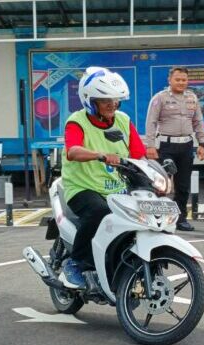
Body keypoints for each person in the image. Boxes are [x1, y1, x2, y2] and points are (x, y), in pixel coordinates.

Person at [59, 67, 146, 289]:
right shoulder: (77, 121)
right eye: (105, 100)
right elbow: (73, 151)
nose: (112, 104)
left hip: (116, 189)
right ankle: (75, 263)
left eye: (115, 100)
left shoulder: (124, 121)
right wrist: (100, 155)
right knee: (100, 212)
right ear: (90, 100)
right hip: (82, 187)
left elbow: (139, 155)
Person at [145, 67, 204, 231]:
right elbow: (151, 122)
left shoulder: (192, 98)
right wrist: (150, 146)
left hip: (186, 146)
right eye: (178, 79)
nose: (181, 83)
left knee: (183, 186)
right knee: (161, 185)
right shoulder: (160, 98)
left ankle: (180, 220)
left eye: (184, 80)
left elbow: (198, 121)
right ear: (170, 80)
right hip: (166, 147)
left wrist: (202, 143)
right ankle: (158, 220)